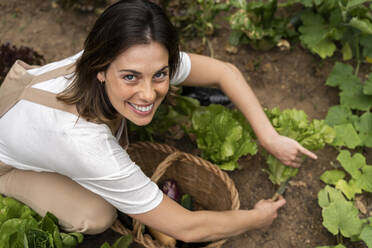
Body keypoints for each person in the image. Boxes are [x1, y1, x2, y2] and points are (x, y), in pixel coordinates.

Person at [0, 0, 317, 242]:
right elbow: (186, 227)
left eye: (160, 75)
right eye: (130, 77)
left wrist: (268, 135)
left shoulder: (133, 54)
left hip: (24, 115)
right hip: (7, 160)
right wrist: (254, 219)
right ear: (100, 69)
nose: (148, 94)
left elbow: (224, 72)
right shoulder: (86, 144)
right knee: (98, 214)